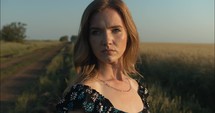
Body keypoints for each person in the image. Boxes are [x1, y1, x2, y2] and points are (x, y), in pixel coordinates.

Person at [56, 0, 150, 112]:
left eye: (115, 30)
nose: (107, 40)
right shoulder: (84, 97)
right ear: (88, 39)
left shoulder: (137, 89)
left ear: (129, 34)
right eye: (96, 32)